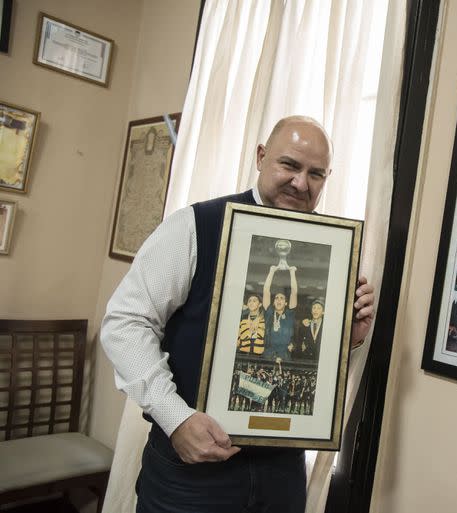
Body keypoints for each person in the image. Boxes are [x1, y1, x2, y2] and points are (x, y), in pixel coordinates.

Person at [100, 116, 376, 513]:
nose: (301, 183)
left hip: (282, 474)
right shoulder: (195, 226)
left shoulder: (330, 251)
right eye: (290, 165)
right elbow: (125, 323)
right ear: (261, 157)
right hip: (191, 473)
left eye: (316, 174)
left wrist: (345, 339)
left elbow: (307, 353)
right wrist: (175, 418)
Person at [262, 265, 298, 363]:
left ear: (286, 303)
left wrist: (292, 272)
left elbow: (293, 293)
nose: (279, 300)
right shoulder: (269, 313)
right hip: (269, 355)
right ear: (273, 302)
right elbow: (266, 291)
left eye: (282, 298)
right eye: (276, 298)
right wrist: (271, 271)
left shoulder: (289, 314)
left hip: (285, 356)